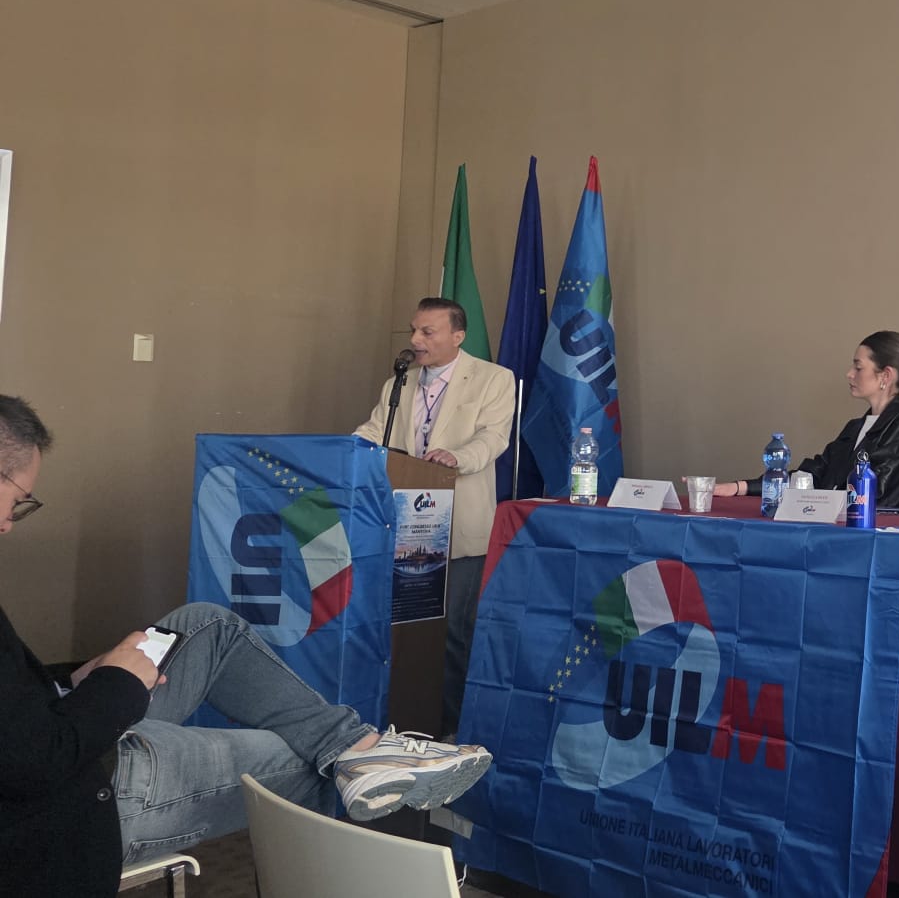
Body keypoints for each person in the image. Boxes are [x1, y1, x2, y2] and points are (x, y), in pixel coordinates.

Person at [0, 395, 492, 897]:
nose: (9, 523)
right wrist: (116, 683)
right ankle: (355, 755)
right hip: (77, 791)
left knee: (208, 624)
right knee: (309, 760)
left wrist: (73, 680)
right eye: (19, 500)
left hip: (65, 721)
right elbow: (38, 762)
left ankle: (357, 748)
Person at [352, 297, 516, 736]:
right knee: (403, 629)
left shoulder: (494, 378)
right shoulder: (399, 382)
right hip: (402, 527)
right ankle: (402, 719)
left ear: (457, 336)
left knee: (454, 633)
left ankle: (453, 730)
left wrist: (457, 457)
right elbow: (375, 431)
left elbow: (493, 438)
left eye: (427, 331)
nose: (415, 339)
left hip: (460, 525)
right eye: (414, 330)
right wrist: (349, 449)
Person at [721, 331, 899, 509]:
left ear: (886, 375)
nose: (849, 374)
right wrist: (741, 487)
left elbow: (875, 495)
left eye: (858, 367)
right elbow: (814, 474)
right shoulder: (855, 428)